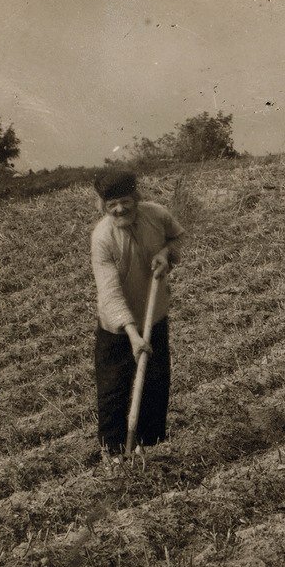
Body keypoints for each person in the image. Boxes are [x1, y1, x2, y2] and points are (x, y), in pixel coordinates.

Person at [90, 169, 185, 466]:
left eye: (125, 201)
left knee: (155, 384)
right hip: (117, 328)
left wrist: (167, 254)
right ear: (103, 206)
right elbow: (110, 292)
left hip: (154, 317)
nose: (120, 209)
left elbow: (178, 238)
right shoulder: (102, 238)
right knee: (114, 390)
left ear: (137, 197)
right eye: (112, 205)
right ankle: (114, 454)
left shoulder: (157, 215)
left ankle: (150, 447)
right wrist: (132, 335)